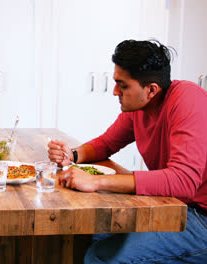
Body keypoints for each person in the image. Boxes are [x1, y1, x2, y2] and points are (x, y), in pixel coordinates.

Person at [48, 40, 207, 263]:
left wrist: (96, 182)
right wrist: (72, 155)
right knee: (94, 232)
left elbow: (183, 181)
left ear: (151, 89)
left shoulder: (188, 101)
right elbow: (106, 143)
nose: (114, 92)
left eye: (122, 86)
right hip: (174, 206)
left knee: (101, 256)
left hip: (201, 216)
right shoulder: (140, 108)